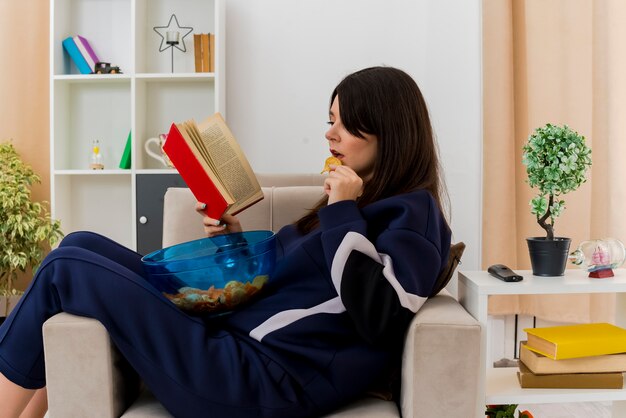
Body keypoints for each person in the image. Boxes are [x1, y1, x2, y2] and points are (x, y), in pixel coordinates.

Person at [0, 66, 451, 418]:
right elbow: (280, 287)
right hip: (228, 342)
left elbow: (379, 316)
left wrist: (340, 211)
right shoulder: (353, 202)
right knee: (80, 243)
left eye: (348, 125)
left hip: (254, 379)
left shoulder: (412, 215)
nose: (330, 134)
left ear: (389, 133)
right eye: (330, 120)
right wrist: (233, 240)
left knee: (67, 270)